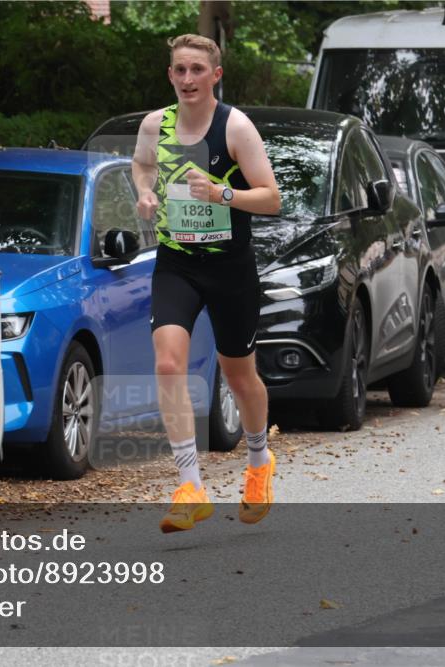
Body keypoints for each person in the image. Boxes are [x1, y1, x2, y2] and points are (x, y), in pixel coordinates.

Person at [131, 34, 281, 533]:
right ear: (170, 74)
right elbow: (142, 165)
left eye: (197, 70)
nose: (188, 79)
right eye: (179, 70)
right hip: (177, 262)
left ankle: (259, 463)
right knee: (168, 361)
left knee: (239, 375)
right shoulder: (156, 125)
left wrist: (223, 193)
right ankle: (190, 486)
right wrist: (146, 194)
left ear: (216, 75)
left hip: (230, 266)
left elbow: (271, 198)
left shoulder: (234, 127)